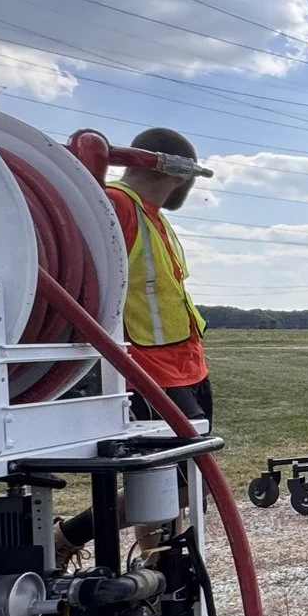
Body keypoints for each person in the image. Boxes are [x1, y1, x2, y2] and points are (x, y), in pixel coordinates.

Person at [110, 126, 214, 425]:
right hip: (147, 368)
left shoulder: (150, 214)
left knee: (197, 461)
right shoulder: (116, 205)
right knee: (175, 467)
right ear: (182, 175)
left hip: (185, 363)